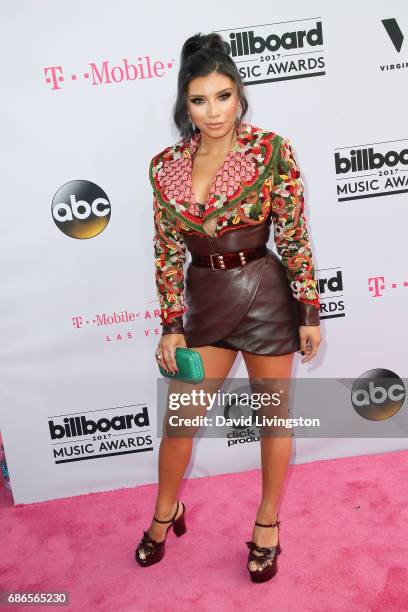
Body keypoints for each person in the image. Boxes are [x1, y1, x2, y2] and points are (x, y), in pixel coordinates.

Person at [135, 31, 322, 583]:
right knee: (180, 423)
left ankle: (267, 524)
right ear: (183, 105)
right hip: (205, 302)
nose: (213, 111)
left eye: (223, 96)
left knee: (273, 420)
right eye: (199, 99)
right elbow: (167, 249)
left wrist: (308, 309)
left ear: (240, 96)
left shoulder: (271, 150)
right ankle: (166, 511)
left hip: (266, 295)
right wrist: (171, 324)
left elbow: (293, 235)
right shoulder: (163, 165)